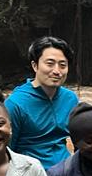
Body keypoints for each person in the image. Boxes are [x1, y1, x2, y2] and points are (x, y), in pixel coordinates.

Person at [6, 37, 80, 168]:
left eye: (62, 65)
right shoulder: (15, 103)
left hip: (66, 171)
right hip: (31, 175)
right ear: (35, 65)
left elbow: (80, 140)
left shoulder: (70, 99)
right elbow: (6, 150)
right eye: (50, 64)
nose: (57, 71)